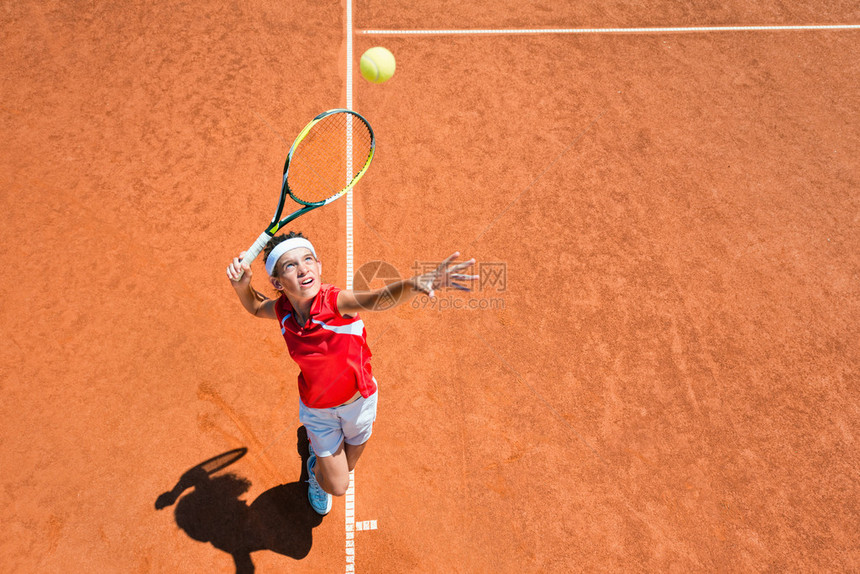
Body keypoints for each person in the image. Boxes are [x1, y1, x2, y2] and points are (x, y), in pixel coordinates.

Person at [226, 231, 475, 515]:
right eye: (290, 266)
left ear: (319, 266)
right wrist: (242, 286)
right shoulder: (283, 311)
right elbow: (257, 306)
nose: (303, 268)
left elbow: (378, 298)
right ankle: (315, 468)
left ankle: (320, 456)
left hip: (359, 402)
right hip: (318, 411)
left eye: (308, 259)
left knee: (349, 465)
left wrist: (417, 284)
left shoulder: (336, 303)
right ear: (277, 282)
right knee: (339, 485)